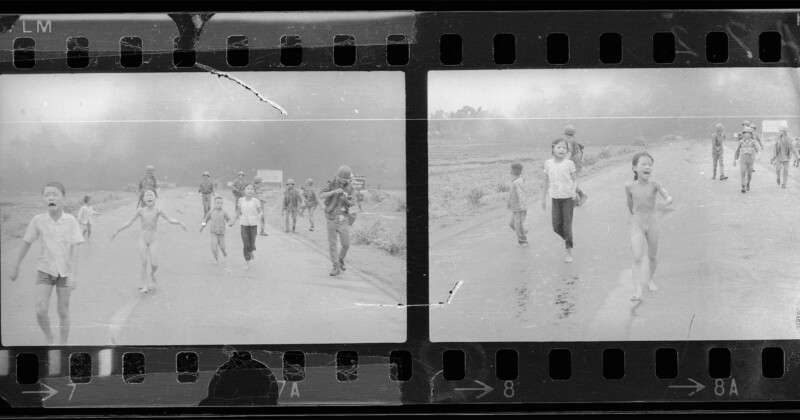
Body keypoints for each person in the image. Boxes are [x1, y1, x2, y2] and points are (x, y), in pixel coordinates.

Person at [8, 182, 84, 345]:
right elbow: (26, 243)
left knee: (63, 311)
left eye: (55, 194)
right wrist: (16, 265)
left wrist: (74, 275)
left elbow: (76, 247)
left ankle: (63, 344)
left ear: (63, 198)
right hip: (45, 270)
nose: (51, 197)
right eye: (47, 195)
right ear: (43, 199)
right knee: (40, 310)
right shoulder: (38, 220)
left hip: (64, 273)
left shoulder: (70, 221)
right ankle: (49, 336)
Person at [112, 188, 187, 293]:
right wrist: (117, 231)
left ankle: (152, 274)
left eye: (151, 195)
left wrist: (179, 222)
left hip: (153, 238)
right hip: (142, 238)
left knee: (154, 264)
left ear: (155, 198)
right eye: (147, 195)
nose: (149, 196)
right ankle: (145, 285)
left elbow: (169, 219)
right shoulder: (140, 211)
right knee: (144, 262)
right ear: (144, 199)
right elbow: (129, 222)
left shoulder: (158, 211)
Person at [625, 152, 674, 302]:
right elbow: (629, 203)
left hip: (653, 224)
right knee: (637, 256)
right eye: (643, 164)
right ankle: (638, 291)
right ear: (635, 168)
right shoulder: (629, 186)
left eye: (650, 164)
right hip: (637, 225)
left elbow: (669, 197)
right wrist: (633, 215)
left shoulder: (655, 184)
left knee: (652, 256)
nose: (647, 167)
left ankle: (650, 279)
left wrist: (666, 202)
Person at [541, 138, 579, 263]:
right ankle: (569, 240)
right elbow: (545, 181)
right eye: (559, 147)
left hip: (568, 198)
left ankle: (568, 251)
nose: (562, 150)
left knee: (567, 225)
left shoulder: (569, 163)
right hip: (555, 198)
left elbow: (575, 180)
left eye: (564, 148)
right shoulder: (548, 163)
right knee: (556, 227)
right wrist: (543, 199)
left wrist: (574, 191)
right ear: (553, 148)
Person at [319, 165, 356, 276]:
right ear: (337, 176)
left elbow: (353, 202)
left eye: (346, 179)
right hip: (331, 218)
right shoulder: (330, 184)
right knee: (332, 245)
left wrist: (346, 199)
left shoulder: (350, 188)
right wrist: (334, 192)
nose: (343, 181)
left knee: (346, 245)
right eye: (341, 178)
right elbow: (321, 195)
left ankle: (340, 259)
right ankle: (336, 267)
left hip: (343, 219)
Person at [231, 183, 262, 270]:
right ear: (244, 190)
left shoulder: (256, 201)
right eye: (248, 189)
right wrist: (234, 220)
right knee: (245, 243)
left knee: (252, 242)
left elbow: (261, 212)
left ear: (254, 191)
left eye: (251, 189)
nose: (249, 190)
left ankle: (251, 250)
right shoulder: (241, 200)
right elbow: (238, 211)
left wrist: (258, 217)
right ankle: (247, 262)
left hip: (253, 224)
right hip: (244, 224)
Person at [200, 196, 234, 264]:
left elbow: (228, 219)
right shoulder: (211, 212)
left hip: (221, 232)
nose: (220, 204)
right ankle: (216, 258)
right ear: (214, 204)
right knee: (214, 246)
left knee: (222, 246)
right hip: (213, 232)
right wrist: (202, 227)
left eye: (221, 203)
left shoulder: (224, 212)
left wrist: (229, 223)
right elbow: (205, 220)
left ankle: (223, 250)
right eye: (218, 203)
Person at [563, 125, 589, 206]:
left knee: (570, 181)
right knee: (569, 181)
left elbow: (569, 152)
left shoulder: (570, 141)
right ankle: (575, 198)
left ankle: (581, 196)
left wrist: (563, 162)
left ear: (566, 134)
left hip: (575, 165)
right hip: (577, 164)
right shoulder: (574, 140)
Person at [507, 162, 528, 247]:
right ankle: (523, 231)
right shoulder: (514, 181)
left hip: (520, 208)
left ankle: (523, 241)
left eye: (516, 170)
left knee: (518, 225)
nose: (514, 171)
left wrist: (522, 206)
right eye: (513, 169)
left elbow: (521, 194)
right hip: (514, 207)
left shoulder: (518, 182)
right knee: (512, 224)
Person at [733, 126, 760, 193]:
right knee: (742, 172)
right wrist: (735, 160)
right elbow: (737, 151)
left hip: (750, 159)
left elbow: (757, 150)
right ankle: (743, 186)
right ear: (743, 134)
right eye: (745, 133)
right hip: (743, 159)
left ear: (751, 134)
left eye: (748, 133)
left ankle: (748, 183)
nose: (747, 134)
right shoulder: (741, 142)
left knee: (749, 174)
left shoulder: (753, 142)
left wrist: (759, 156)